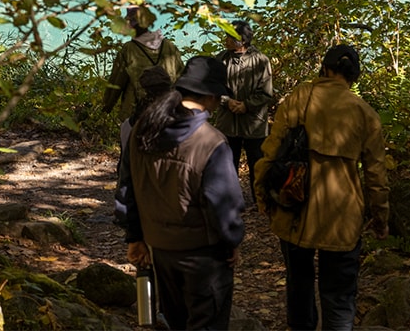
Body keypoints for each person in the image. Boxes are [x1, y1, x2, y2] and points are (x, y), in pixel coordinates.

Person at [254, 44, 390, 331]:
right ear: (353, 77)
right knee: (339, 294)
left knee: (299, 283)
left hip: (294, 207)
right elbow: (376, 175)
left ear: (325, 68)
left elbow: (272, 149)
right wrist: (380, 218)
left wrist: (263, 196)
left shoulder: (299, 97)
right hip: (344, 214)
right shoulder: (365, 113)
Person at [115, 56, 245, 331]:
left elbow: (127, 186)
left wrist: (135, 237)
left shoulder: (142, 128)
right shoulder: (211, 142)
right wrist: (231, 242)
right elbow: (223, 207)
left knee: (174, 323)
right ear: (211, 96)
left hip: (160, 251)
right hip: (204, 257)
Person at [213, 20, 274, 199]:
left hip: (254, 124)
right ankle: (230, 199)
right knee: (227, 163)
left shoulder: (261, 60)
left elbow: (266, 93)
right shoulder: (221, 59)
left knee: (258, 163)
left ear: (241, 40)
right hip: (228, 123)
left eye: (230, 37)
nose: (226, 40)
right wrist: (227, 101)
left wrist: (246, 105)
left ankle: (260, 199)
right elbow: (214, 87)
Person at [102, 5, 184, 121]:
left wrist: (105, 108)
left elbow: (116, 83)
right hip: (167, 110)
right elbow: (181, 78)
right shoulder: (169, 46)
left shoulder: (129, 49)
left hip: (135, 113)